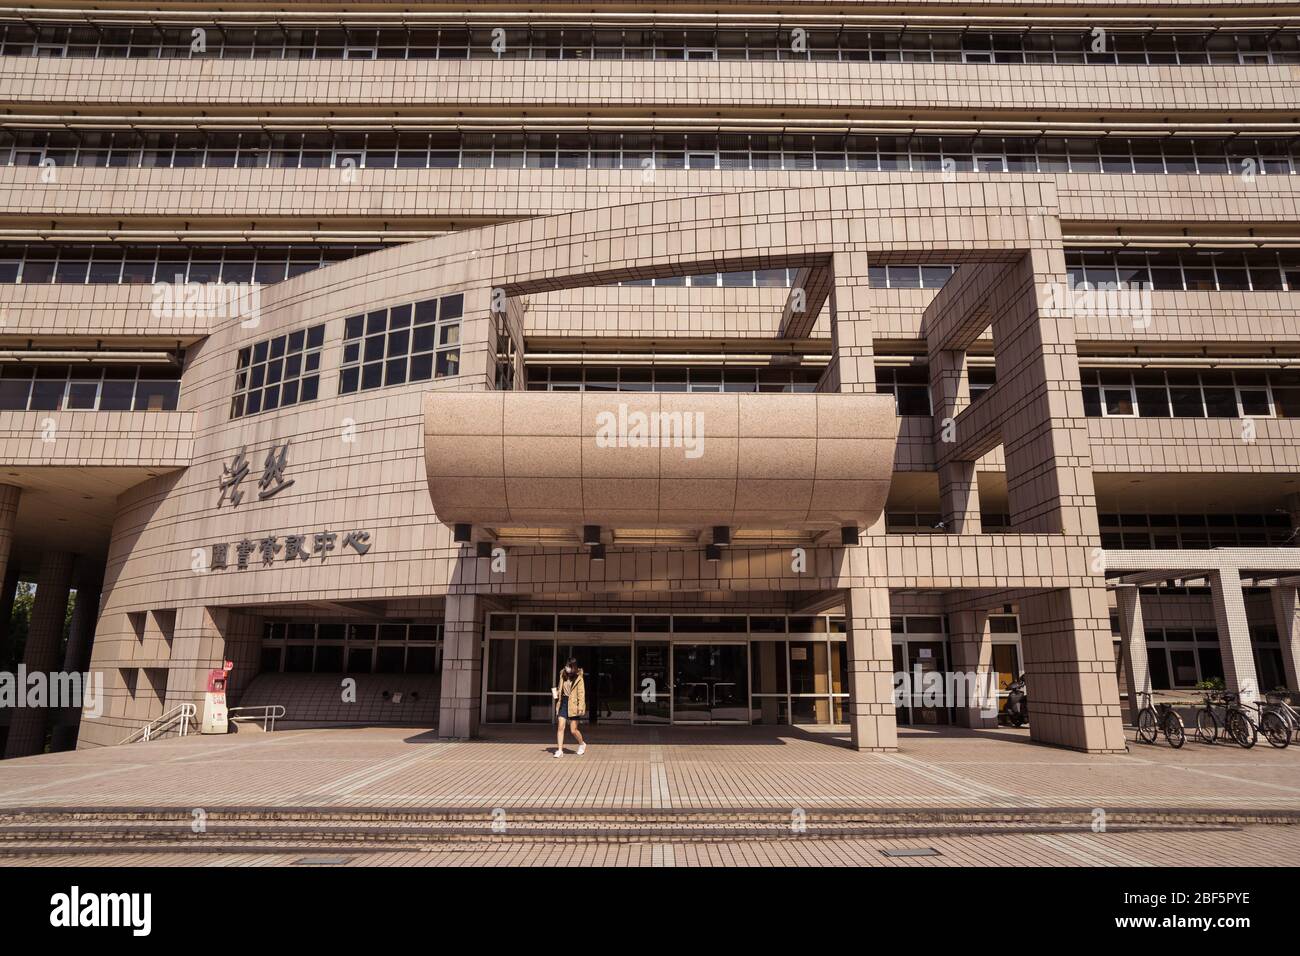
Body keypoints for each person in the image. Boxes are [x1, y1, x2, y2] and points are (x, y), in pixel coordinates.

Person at [552, 657, 588, 757]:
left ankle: (582, 744)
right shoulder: (562, 674)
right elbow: (561, 688)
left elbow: (581, 693)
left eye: (569, 666)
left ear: (573, 667)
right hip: (563, 702)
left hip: (574, 705)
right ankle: (559, 750)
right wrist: (557, 693)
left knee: (573, 730)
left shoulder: (579, 678)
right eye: (566, 665)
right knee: (560, 726)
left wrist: (581, 706)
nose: (566, 668)